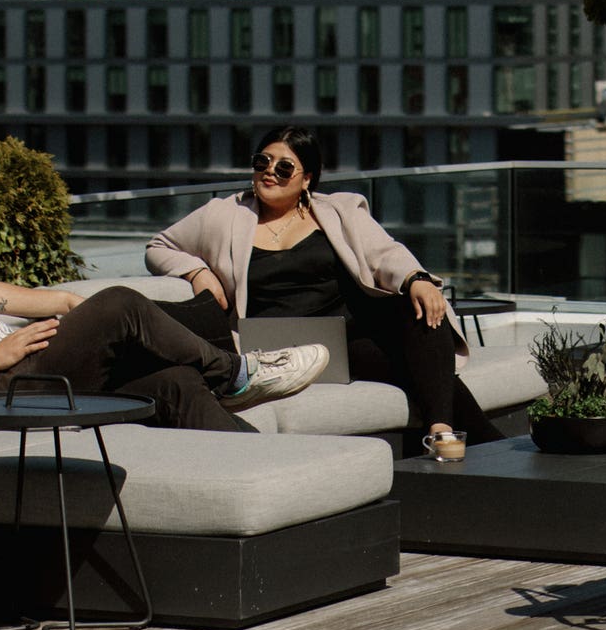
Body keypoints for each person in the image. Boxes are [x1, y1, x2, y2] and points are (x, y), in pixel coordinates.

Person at [0, 131, 327, 429]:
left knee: (173, 385)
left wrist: (64, 302)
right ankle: (237, 372)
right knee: (119, 303)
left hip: (17, 374)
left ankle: (276, 478)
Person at [144, 125, 499, 449]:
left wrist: (416, 279)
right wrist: (196, 272)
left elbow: (384, 251)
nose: (270, 171)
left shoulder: (337, 211)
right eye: (262, 162)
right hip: (277, 347)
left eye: (284, 167)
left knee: (420, 315)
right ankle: (486, 444)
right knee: (419, 370)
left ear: (307, 179)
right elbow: (158, 246)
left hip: (347, 339)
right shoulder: (223, 214)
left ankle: (440, 430)